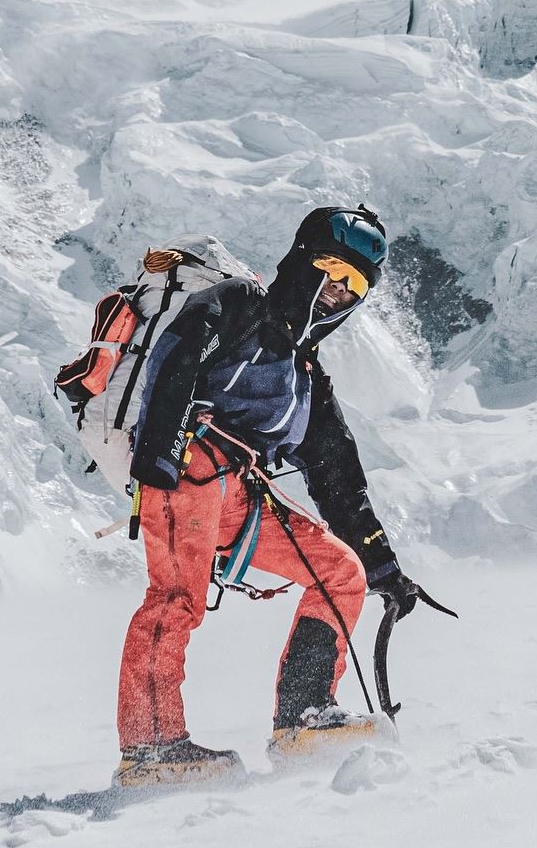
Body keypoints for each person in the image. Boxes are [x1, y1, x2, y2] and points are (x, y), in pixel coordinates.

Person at [113, 205, 418, 787]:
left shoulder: (304, 374)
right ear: (302, 262)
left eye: (355, 283)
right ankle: (150, 750)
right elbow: (175, 356)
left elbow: (338, 477)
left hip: (242, 495)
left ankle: (303, 721)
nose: (339, 289)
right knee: (177, 598)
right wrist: (161, 460)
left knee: (340, 572)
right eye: (332, 268)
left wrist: (386, 568)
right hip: (187, 470)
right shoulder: (239, 305)